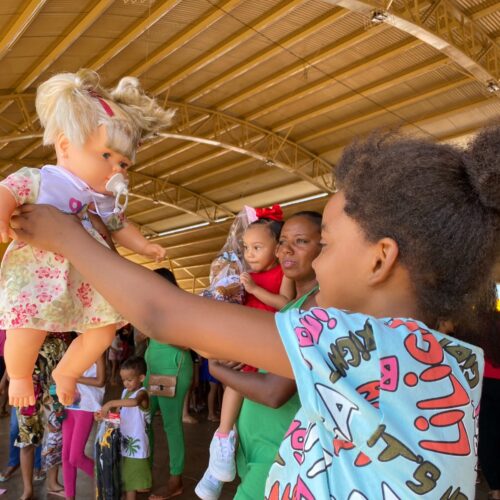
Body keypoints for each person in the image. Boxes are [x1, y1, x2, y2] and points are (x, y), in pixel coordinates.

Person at [10, 125, 500, 498]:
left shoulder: (357, 344)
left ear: (380, 259)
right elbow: (199, 334)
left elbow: (164, 313)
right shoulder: (452, 360)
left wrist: (69, 238)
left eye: (324, 244)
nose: (315, 261)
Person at [0, 68, 172, 408]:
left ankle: (67, 371)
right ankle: (18, 375)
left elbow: (121, 226)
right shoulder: (43, 180)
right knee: (26, 330)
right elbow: (8, 190)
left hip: (87, 279)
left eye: (124, 163)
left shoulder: (105, 201)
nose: (117, 169)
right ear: (65, 146)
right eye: (106, 156)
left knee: (104, 330)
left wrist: (144, 246)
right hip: (38, 275)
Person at [197, 211, 322, 499]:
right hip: (255, 444)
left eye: (301, 241)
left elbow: (273, 392)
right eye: (284, 242)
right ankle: (223, 446)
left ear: (324, 246)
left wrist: (217, 368)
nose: (287, 250)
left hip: (277, 448)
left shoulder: (314, 308)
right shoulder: (295, 304)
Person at [144, 268, 194, 500]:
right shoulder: (153, 306)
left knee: (171, 425)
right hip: (153, 370)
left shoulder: (180, 305)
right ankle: (144, 472)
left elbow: (189, 340)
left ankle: (176, 479)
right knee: (143, 418)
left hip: (171, 371)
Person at [97, 356, 151, 500]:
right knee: (125, 477)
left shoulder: (143, 393)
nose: (126, 383)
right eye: (123, 380)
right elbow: (120, 416)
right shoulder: (124, 393)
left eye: (129, 379)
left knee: (131, 481)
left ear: (141, 377)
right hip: (124, 442)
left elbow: (134, 402)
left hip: (136, 446)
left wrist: (110, 403)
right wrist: (105, 416)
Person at [62, 353, 106, 500]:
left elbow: (100, 381)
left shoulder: (98, 351)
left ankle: (109, 481)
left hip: (86, 406)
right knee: (66, 456)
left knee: (75, 457)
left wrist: (73, 377)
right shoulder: (75, 347)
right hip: (70, 404)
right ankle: (70, 497)